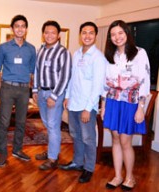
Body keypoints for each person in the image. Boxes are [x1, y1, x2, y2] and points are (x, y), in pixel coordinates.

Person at [101, 20, 150, 191]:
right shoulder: (110, 56)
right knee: (115, 139)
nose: (117, 37)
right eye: (113, 34)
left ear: (127, 34)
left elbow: (144, 81)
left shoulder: (139, 53)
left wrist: (141, 107)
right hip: (113, 101)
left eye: (120, 33)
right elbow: (105, 84)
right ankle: (118, 176)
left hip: (131, 102)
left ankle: (130, 177)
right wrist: (104, 106)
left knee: (125, 141)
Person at [59, 22, 106, 183]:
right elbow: (72, 78)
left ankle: (89, 168)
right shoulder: (77, 53)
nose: (87, 36)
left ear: (95, 35)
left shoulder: (98, 58)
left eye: (91, 33)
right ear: (80, 35)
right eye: (84, 32)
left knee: (88, 138)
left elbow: (98, 86)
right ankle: (77, 162)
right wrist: (67, 96)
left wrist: (88, 108)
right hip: (73, 103)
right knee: (76, 135)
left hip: (87, 106)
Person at [0, 15, 36, 166]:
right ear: (12, 28)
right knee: (4, 122)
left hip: (24, 90)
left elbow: (31, 72)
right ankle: (2, 153)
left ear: (26, 29)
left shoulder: (31, 49)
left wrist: (30, 88)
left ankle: (17, 149)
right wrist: (2, 86)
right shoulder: (4, 47)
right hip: (7, 87)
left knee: (21, 122)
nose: (20, 28)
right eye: (17, 26)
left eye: (23, 26)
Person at [32, 20, 72, 170]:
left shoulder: (63, 52)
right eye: (47, 32)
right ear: (43, 34)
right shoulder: (41, 50)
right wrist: (35, 90)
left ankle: (53, 158)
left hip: (55, 93)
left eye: (53, 33)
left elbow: (65, 76)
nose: (49, 35)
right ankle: (51, 151)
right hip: (42, 92)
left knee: (54, 125)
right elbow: (36, 71)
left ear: (58, 35)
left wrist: (53, 97)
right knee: (47, 124)